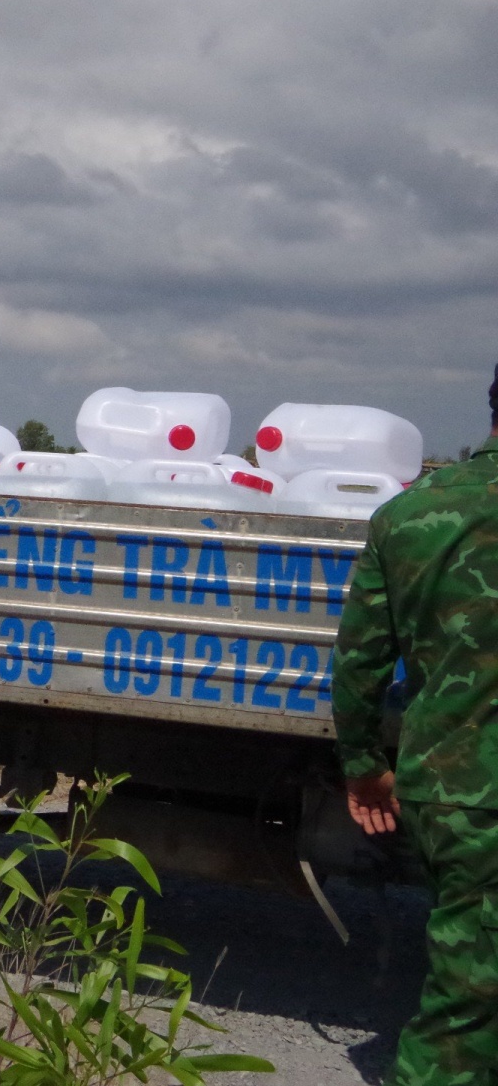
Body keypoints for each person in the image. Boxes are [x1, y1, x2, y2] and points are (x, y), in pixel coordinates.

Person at [332, 365, 498, 1086]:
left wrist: (364, 764)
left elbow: (361, 662)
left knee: (470, 990)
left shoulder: (409, 515)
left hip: (456, 787)